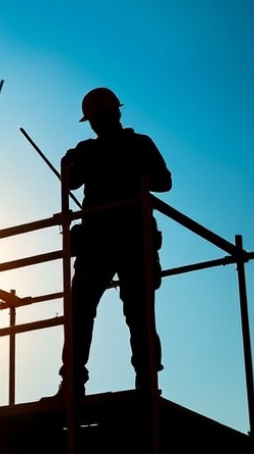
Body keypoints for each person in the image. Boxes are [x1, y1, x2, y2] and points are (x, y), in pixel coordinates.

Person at [54, 87, 172, 398]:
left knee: (133, 312)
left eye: (97, 119)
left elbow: (163, 182)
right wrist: (73, 159)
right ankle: (78, 383)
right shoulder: (96, 150)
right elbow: (70, 180)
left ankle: (143, 382)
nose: (97, 124)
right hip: (103, 241)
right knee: (92, 310)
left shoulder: (134, 145)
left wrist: (111, 163)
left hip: (126, 239)